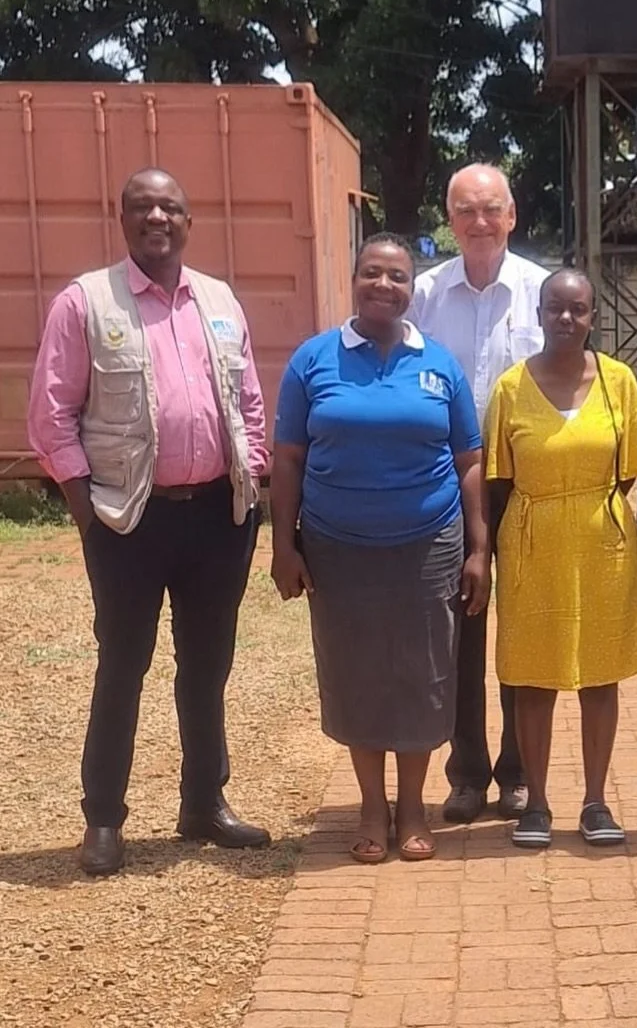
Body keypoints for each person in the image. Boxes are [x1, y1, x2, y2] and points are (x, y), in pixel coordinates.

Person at [27, 168, 270, 878]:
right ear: (123, 218)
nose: (156, 217)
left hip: (218, 519)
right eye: (143, 207)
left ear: (189, 222)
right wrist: (87, 512)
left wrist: (251, 474)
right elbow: (51, 415)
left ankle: (204, 803)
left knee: (207, 667)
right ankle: (103, 819)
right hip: (129, 519)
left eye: (170, 207)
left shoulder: (219, 301)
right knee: (123, 666)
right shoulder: (85, 302)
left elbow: (249, 399)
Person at [269, 233, 489, 863]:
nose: (384, 286)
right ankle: (371, 803)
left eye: (397, 276)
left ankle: (414, 803)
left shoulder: (439, 364)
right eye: (372, 274)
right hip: (339, 546)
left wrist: (479, 549)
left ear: (413, 288)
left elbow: (469, 459)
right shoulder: (314, 360)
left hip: (429, 545)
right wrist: (283, 545)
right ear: (354, 280)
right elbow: (286, 459)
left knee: (422, 674)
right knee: (356, 671)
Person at [484, 268, 637, 850]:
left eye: (578, 309)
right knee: (535, 677)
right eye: (556, 307)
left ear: (592, 316)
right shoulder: (510, 388)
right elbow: (497, 479)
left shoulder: (620, 382)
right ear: (539, 312)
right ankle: (538, 802)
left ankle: (596, 801)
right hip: (533, 540)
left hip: (602, 542)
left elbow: (629, 470)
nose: (566, 319)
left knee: (600, 676)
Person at [410, 163, 546, 822]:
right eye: (466, 210)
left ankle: (518, 770)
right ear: (450, 217)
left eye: (491, 209)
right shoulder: (424, 296)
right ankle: (466, 771)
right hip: (446, 477)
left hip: (526, 482)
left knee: (520, 626)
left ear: (512, 215)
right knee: (460, 626)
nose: (480, 222)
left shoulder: (544, 290)